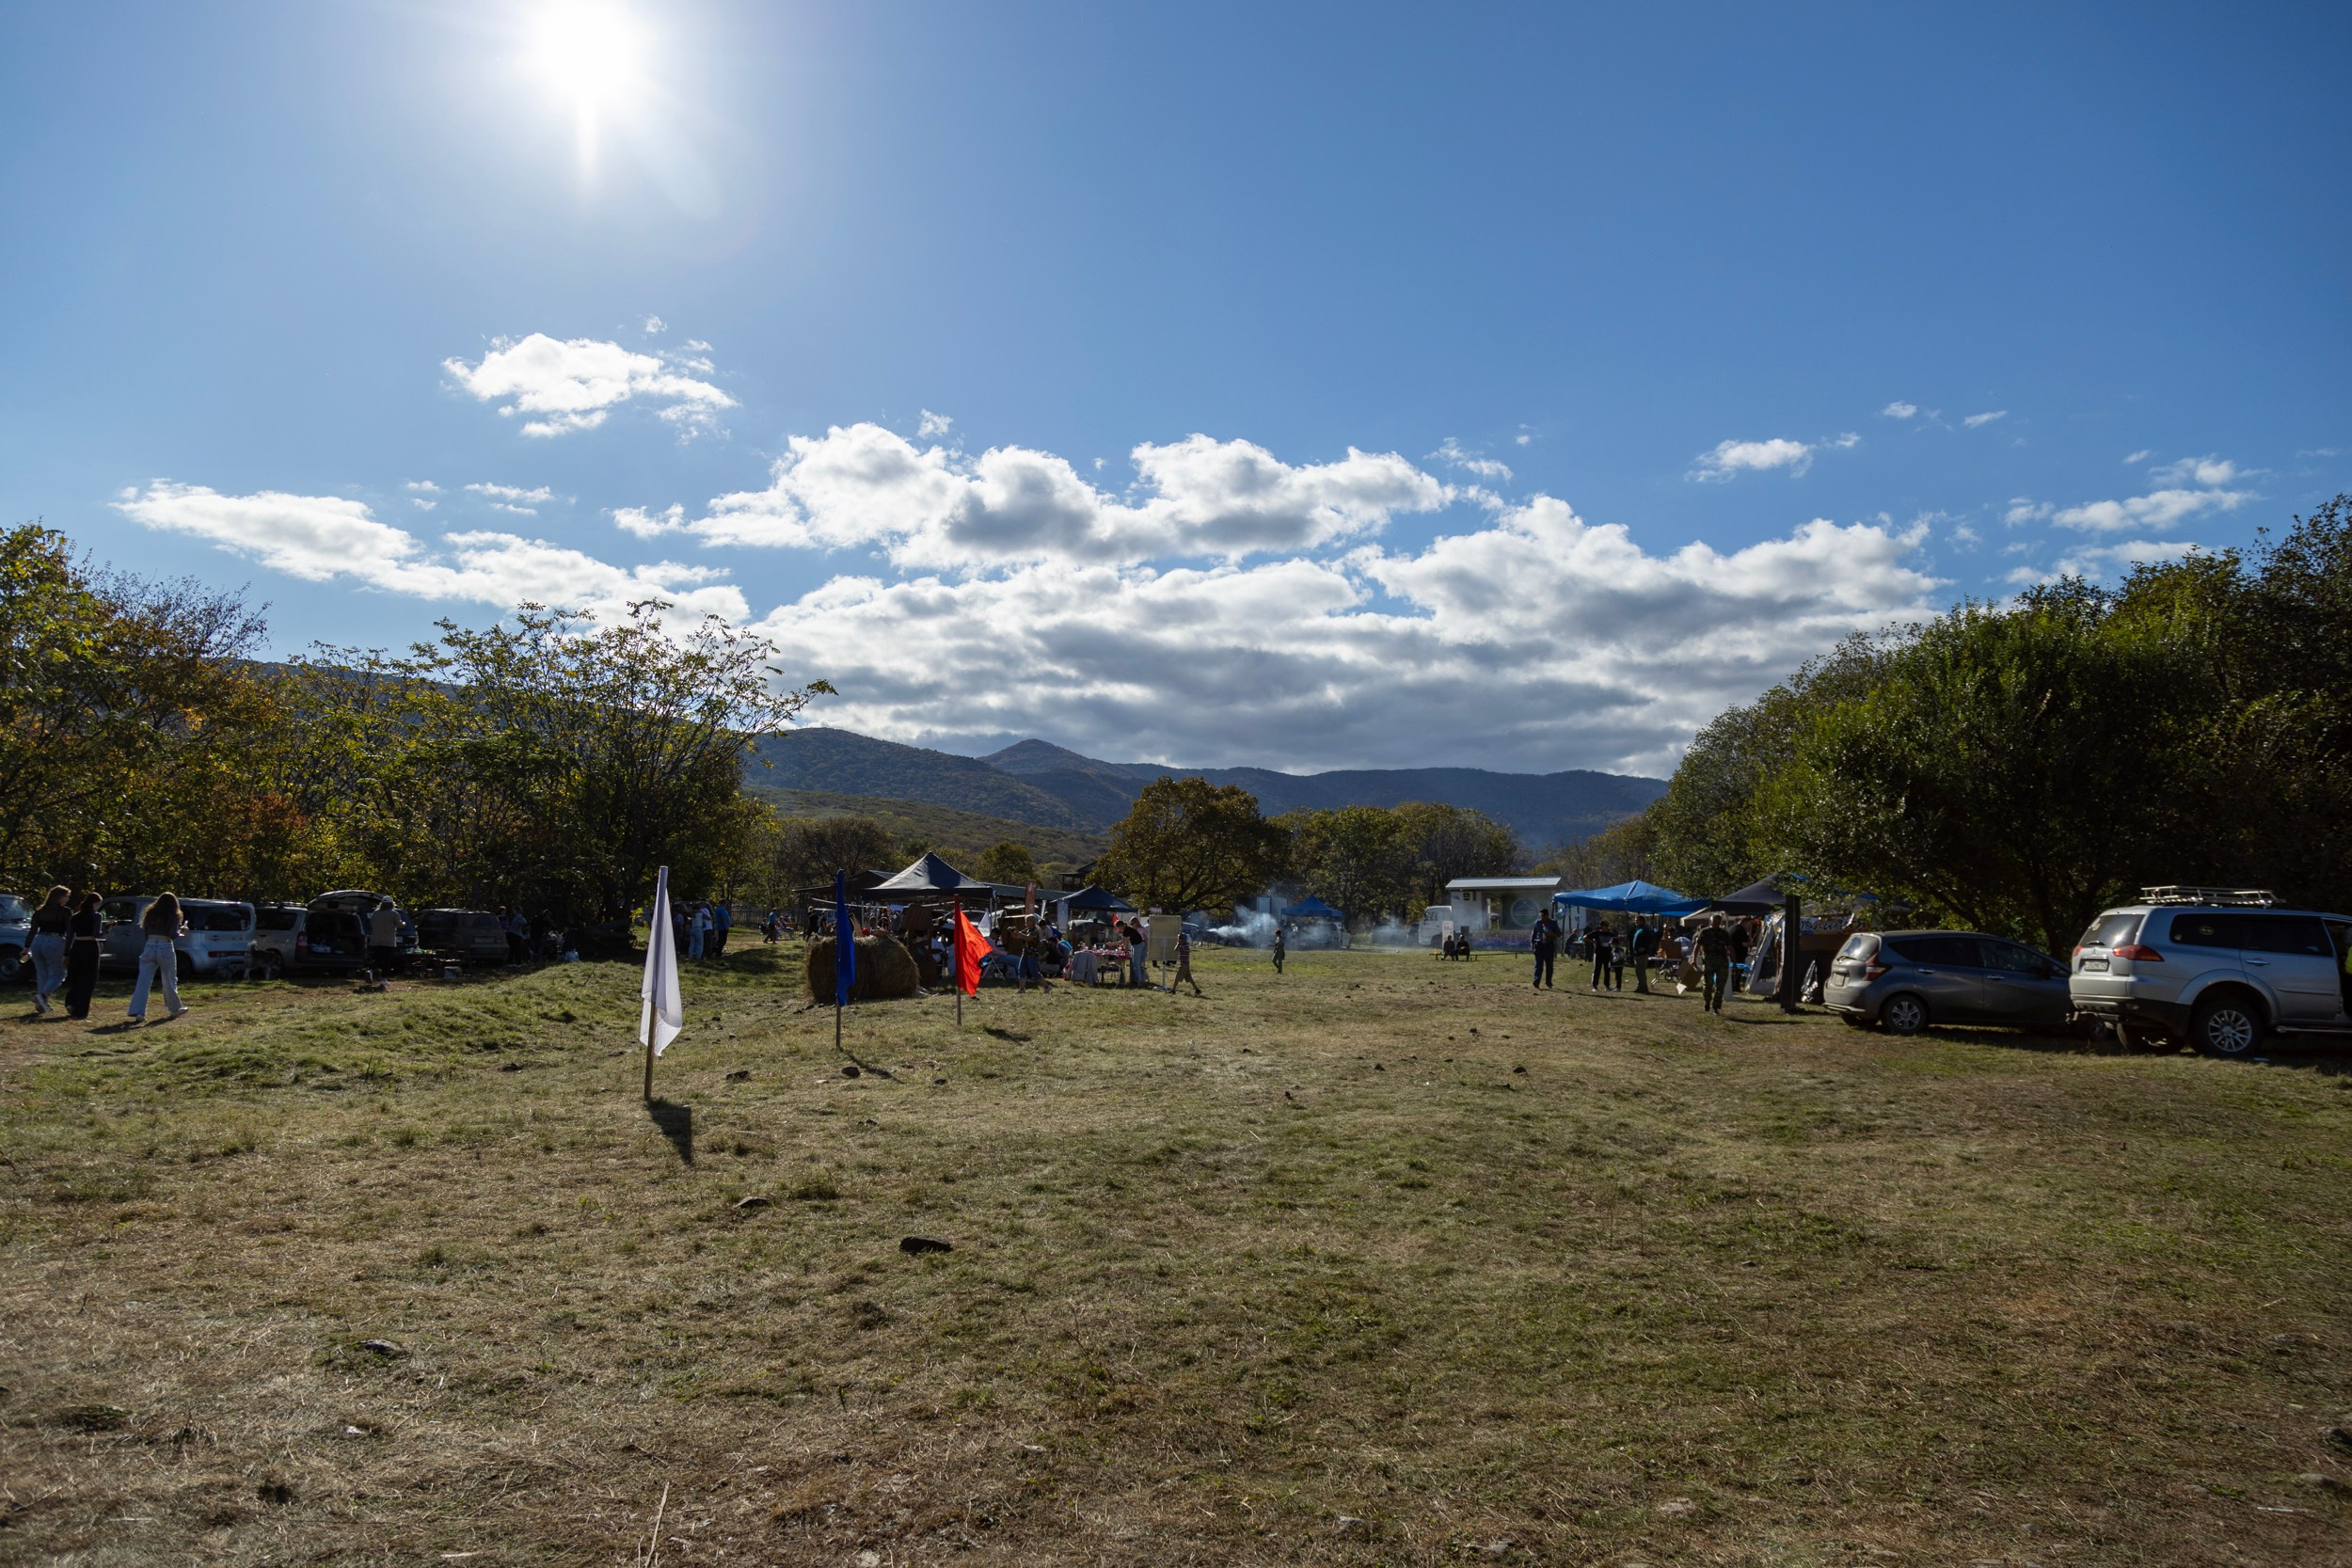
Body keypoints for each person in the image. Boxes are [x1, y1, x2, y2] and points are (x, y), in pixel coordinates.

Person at [128, 892, 187, 1024]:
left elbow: (146, 933)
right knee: (169, 979)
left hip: (149, 945)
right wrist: (182, 932)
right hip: (164, 945)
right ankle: (174, 1008)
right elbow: (172, 935)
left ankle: (138, 1011)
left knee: (143, 981)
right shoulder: (173, 914)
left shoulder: (150, 913)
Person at [28, 884, 71, 1015]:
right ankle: (42, 995)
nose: (67, 899)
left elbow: (33, 930)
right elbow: (70, 931)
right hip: (55, 940)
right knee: (59, 973)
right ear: (59, 897)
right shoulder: (65, 911)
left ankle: (43, 1005)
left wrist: (26, 947)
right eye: (66, 896)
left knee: (42, 974)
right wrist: (68, 951)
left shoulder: (40, 911)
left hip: (37, 941)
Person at [64, 891, 103, 1020]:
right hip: (90, 946)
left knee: (76, 977)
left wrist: (66, 954)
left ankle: (71, 1001)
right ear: (95, 903)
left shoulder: (75, 917)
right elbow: (96, 934)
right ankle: (81, 1011)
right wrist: (108, 930)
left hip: (77, 946)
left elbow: (69, 936)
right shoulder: (96, 916)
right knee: (88, 979)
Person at [1696, 913, 1733, 1015]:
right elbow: (1698, 946)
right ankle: (1707, 1000)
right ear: (1710, 922)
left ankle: (1716, 1007)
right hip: (1709, 961)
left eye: (1718, 922)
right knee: (1708, 984)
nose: (1716, 924)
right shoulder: (1704, 932)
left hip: (1722, 962)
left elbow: (1730, 947)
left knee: (1720, 986)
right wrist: (1693, 959)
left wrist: (1734, 960)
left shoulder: (1724, 933)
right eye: (1714, 922)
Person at [367, 896, 403, 975]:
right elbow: (400, 925)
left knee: (379, 958)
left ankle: (371, 970)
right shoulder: (394, 913)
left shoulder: (375, 913)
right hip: (388, 941)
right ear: (392, 904)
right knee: (386, 960)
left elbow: (371, 924)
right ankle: (383, 976)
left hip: (376, 941)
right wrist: (404, 923)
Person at [1530, 909, 1560, 990]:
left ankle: (1548, 982)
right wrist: (1532, 944)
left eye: (1543, 915)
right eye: (1540, 915)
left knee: (1549, 965)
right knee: (1538, 965)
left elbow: (1559, 933)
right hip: (1539, 946)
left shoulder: (1553, 922)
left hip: (1549, 946)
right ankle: (1536, 981)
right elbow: (1534, 934)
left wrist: (1552, 934)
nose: (1541, 917)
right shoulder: (1538, 923)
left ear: (1547, 915)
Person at [1630, 917, 1659, 994]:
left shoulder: (1645, 930)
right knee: (1639, 971)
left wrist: (1644, 948)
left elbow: (1649, 940)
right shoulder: (1638, 929)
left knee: (1640, 971)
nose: (1635, 922)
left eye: (1637, 920)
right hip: (1637, 953)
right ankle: (1644, 987)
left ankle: (1641, 988)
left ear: (1642, 921)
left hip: (1642, 954)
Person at [1174, 928, 1203, 996]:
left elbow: (1175, 949)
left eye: (1179, 939)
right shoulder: (1186, 946)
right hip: (1186, 965)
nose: (1178, 940)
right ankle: (1197, 990)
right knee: (1189, 978)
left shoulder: (1182, 947)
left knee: (1177, 978)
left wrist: (1178, 944)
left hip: (1183, 965)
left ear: (1182, 940)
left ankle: (1173, 990)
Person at [1589, 921, 1615, 991]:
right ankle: (1594, 986)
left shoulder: (1610, 934)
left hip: (1608, 954)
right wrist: (1594, 942)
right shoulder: (1596, 933)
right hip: (1598, 953)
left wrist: (1612, 944)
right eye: (1603, 926)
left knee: (1607, 970)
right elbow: (1585, 937)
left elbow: (1616, 941)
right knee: (1597, 970)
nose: (1605, 927)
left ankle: (1607, 986)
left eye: (1606, 926)